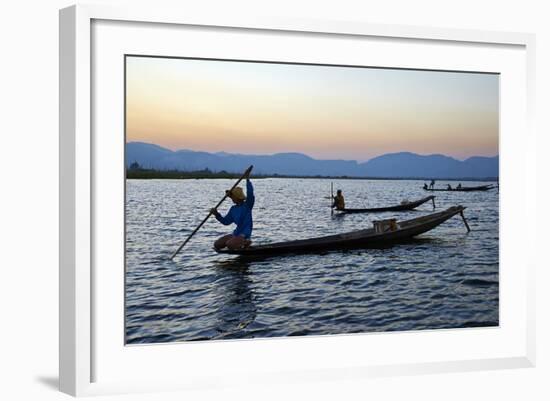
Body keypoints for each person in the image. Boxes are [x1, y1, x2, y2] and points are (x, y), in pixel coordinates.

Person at [211, 173, 254, 251]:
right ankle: (237, 242)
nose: (231, 198)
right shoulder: (233, 209)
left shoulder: (247, 205)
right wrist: (216, 214)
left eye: (232, 196)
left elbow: (250, 193)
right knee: (217, 244)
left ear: (237, 197)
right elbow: (226, 222)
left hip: (245, 233)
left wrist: (247, 179)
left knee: (230, 244)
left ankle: (246, 242)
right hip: (236, 233)